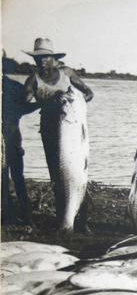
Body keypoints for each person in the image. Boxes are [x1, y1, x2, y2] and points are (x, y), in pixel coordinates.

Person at [22, 38, 94, 231]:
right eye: (38, 58)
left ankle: (82, 223)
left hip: (72, 129)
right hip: (50, 133)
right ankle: (63, 219)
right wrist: (44, 103)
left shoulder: (67, 74)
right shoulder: (33, 80)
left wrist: (75, 104)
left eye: (46, 57)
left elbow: (88, 93)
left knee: (78, 172)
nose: (42, 61)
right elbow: (23, 104)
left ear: (53, 58)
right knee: (58, 176)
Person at [2, 54, 37, 225]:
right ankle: (18, 215)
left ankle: (21, 215)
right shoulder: (15, 87)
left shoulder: (14, 87)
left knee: (14, 177)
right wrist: (41, 104)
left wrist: (41, 103)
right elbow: (23, 108)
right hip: (12, 137)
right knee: (15, 177)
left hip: (12, 138)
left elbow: (22, 108)